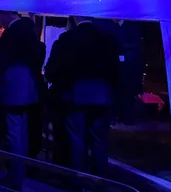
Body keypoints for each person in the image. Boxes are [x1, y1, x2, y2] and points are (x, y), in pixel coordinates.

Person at [45, 17, 121, 175]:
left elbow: (55, 69)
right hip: (102, 95)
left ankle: (77, 178)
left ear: (75, 17)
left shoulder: (67, 38)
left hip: (76, 96)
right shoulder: (107, 39)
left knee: (77, 139)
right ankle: (100, 178)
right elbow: (116, 70)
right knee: (100, 140)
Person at [0, 17, 46, 189]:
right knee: (21, 133)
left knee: (14, 134)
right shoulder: (30, 34)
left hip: (13, 88)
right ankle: (18, 174)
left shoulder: (12, 34)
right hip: (27, 89)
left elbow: (0, 59)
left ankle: (14, 177)